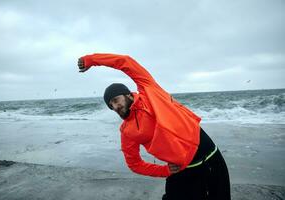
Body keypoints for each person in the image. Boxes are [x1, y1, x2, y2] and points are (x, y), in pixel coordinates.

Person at [77, 53, 230, 200]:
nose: (115, 106)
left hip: (209, 156)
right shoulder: (127, 131)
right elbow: (134, 164)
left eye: (116, 100)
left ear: (129, 94)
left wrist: (91, 59)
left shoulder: (149, 89)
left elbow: (125, 62)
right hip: (182, 169)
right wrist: (164, 170)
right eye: (111, 105)